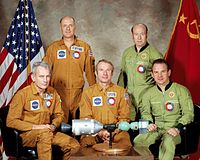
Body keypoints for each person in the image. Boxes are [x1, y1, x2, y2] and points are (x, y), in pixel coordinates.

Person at [6, 61, 80, 160]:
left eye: (47, 76)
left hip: (48, 131)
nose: (45, 80)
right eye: (41, 76)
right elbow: (11, 121)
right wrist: (37, 127)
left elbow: (59, 114)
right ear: (33, 77)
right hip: (27, 134)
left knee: (74, 145)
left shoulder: (52, 93)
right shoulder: (22, 95)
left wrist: (54, 125)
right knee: (44, 135)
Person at [133, 59, 194, 160]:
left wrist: (177, 128)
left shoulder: (181, 90)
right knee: (138, 141)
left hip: (174, 130)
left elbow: (189, 114)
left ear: (169, 72)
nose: (159, 75)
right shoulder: (147, 94)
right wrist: (149, 123)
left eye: (163, 71)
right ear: (152, 74)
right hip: (156, 129)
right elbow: (145, 112)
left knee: (168, 142)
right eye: (156, 72)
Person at [43, 16, 96, 123]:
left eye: (70, 25)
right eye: (65, 26)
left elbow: (90, 72)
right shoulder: (53, 48)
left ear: (75, 27)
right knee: (60, 126)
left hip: (78, 95)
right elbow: (45, 71)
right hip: (58, 94)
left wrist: (94, 92)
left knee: (79, 127)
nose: (68, 28)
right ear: (61, 28)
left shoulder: (84, 47)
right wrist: (45, 92)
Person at [79, 59, 133, 149]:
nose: (105, 73)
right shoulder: (87, 93)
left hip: (116, 131)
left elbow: (124, 117)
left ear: (112, 74)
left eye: (108, 70)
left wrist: (113, 132)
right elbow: (85, 118)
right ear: (96, 73)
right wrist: (100, 132)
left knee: (125, 142)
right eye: (101, 70)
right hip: (93, 132)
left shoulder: (121, 92)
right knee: (86, 144)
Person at [117, 23, 163, 120]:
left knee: (145, 127)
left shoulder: (155, 54)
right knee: (129, 127)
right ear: (132, 35)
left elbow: (161, 79)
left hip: (146, 96)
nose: (139, 37)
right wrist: (119, 94)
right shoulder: (127, 52)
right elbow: (123, 76)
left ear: (147, 34)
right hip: (129, 98)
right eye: (136, 34)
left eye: (142, 34)